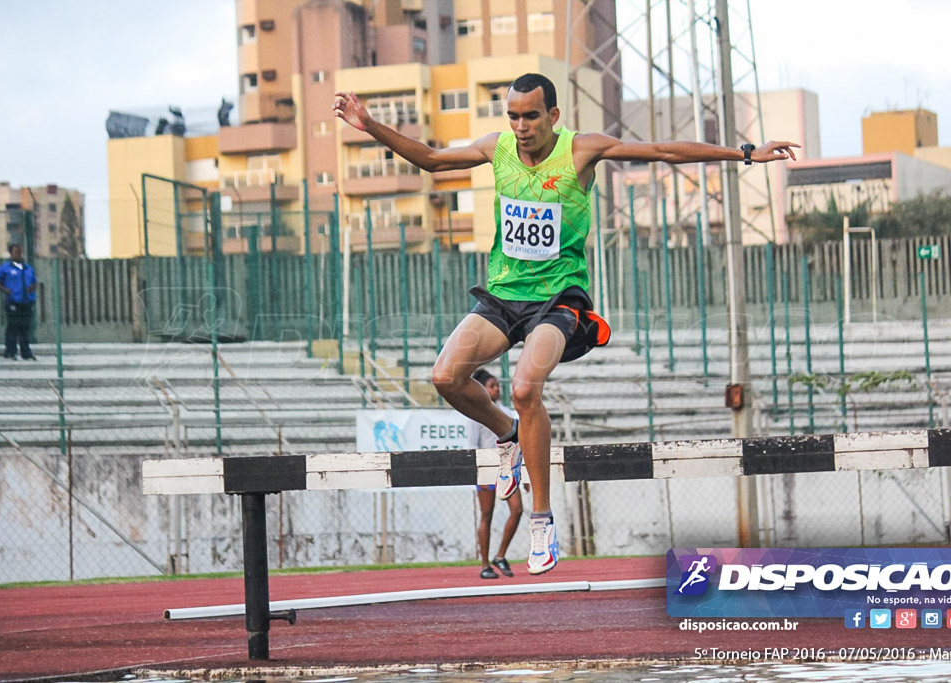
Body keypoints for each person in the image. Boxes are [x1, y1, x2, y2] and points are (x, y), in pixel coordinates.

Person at [334, 73, 798, 575]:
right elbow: (430, 159)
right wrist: (371, 125)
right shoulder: (498, 149)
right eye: (512, 116)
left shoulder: (581, 151)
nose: (520, 126)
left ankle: (541, 521)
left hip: (558, 300)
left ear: (552, 116)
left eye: (530, 116)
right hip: (504, 295)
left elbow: (663, 150)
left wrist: (746, 153)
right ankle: (507, 434)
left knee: (525, 384)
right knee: (445, 376)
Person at [471, 367, 526, 579]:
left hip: (507, 467)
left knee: (518, 509)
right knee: (487, 514)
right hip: (485, 468)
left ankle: (500, 555)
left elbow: (518, 442)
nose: (496, 389)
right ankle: (484, 564)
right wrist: (477, 474)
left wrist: (526, 473)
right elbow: (471, 444)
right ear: (482, 390)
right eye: (492, 386)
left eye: (497, 386)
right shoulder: (475, 413)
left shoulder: (508, 412)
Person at [0, 244, 38, 360]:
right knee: (13, 326)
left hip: (26, 302)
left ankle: (26, 353)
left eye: (20, 251)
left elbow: (34, 281)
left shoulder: (28, 268)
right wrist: (6, 290)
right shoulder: (5, 267)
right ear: (11, 253)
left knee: (25, 327)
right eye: (16, 251)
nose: (19, 254)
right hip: (13, 301)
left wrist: (32, 288)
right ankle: (10, 352)